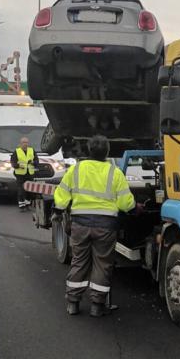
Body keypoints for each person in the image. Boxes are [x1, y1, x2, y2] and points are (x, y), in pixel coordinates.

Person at [53, 135, 135, 317]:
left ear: (88, 151)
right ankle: (97, 306)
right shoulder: (114, 173)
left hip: (80, 224)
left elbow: (61, 196)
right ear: (107, 152)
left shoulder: (76, 170)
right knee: (102, 264)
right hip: (105, 227)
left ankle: (73, 303)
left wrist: (58, 212)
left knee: (79, 261)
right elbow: (126, 204)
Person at [10, 136, 36, 209]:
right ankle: (21, 205)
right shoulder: (17, 151)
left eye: (27, 142)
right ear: (20, 144)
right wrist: (18, 166)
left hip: (30, 173)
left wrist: (33, 162)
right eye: (24, 142)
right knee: (21, 190)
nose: (25, 144)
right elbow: (13, 162)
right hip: (20, 174)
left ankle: (28, 204)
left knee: (29, 190)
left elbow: (37, 161)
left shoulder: (32, 150)